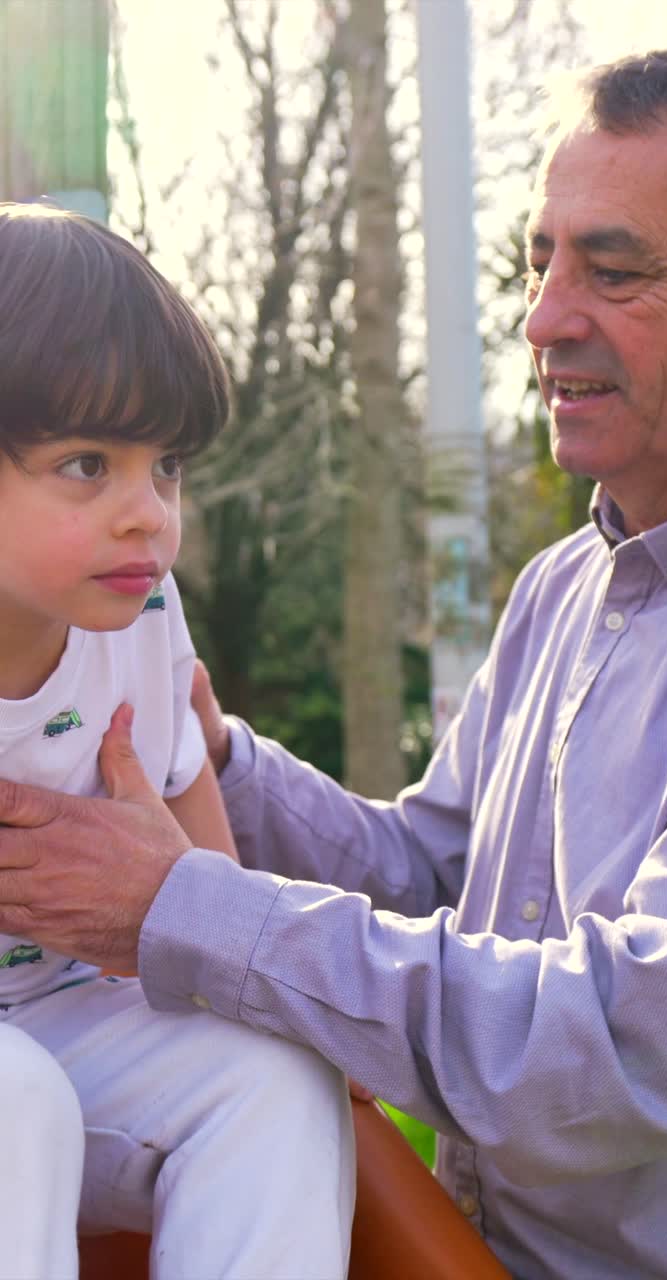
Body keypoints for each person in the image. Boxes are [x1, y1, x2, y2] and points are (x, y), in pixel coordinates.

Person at [2, 44, 667, 1280]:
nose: (545, 316)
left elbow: (628, 1042)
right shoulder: (565, 592)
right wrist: (215, 753)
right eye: (539, 262)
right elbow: (431, 874)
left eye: (612, 269)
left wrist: (185, 904)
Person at [0, 204, 354, 1280]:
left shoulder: (144, 623)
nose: (147, 513)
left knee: (274, 1072)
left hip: (63, 1020)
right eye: (86, 464)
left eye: (167, 468)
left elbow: (215, 899)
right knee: (18, 1105)